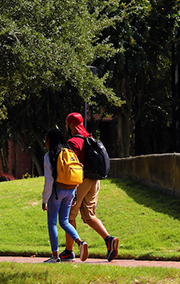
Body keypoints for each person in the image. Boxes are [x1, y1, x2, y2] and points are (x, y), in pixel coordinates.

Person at [61, 112, 120, 262]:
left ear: (71, 125)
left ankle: (69, 251)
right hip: (95, 180)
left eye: (67, 124)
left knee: (69, 216)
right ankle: (109, 240)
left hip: (81, 180)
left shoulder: (73, 143)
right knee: (89, 216)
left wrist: (71, 189)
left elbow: (72, 167)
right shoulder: (90, 138)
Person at [41, 127, 88, 263]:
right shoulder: (69, 152)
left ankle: (55, 256)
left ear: (49, 140)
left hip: (57, 191)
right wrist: (73, 195)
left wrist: (45, 199)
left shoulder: (50, 155)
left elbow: (49, 180)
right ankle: (80, 242)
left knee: (52, 223)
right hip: (70, 190)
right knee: (64, 221)